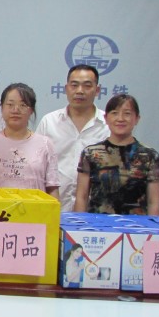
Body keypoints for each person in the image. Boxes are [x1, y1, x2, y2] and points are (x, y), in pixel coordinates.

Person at [35, 64, 110, 211]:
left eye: (87, 86)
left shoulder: (108, 125)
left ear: (97, 90)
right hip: (53, 207)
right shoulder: (49, 122)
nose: (80, 91)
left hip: (96, 210)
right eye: (74, 85)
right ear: (66, 88)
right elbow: (37, 165)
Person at [74, 93, 159, 215]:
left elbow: (154, 203)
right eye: (114, 113)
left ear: (137, 119)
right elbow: (81, 197)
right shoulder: (91, 153)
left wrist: (153, 226)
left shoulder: (150, 156)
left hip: (138, 224)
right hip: (97, 223)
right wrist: (79, 223)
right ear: (106, 118)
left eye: (127, 113)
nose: (120, 118)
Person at [0, 83, 59, 197]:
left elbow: (52, 189)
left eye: (23, 105)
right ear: (2, 107)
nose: (16, 110)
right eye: (10, 104)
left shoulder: (45, 145)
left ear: (31, 110)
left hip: (34, 207)